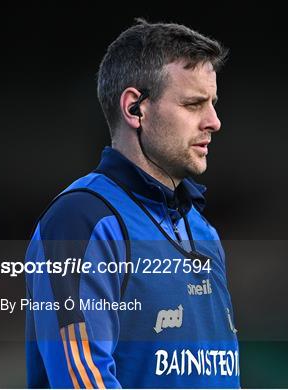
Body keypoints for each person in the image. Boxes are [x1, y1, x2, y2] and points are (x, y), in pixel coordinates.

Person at [25, 18, 239, 388]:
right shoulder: (80, 222)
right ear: (135, 108)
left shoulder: (203, 230)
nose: (214, 121)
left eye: (213, 104)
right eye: (194, 104)